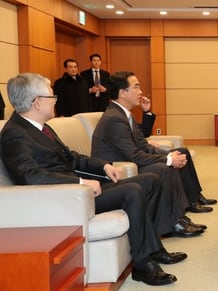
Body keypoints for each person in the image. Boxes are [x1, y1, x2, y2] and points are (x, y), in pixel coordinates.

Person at [0, 72, 187, 286]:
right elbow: (31, 176)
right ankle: (143, 265)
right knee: (133, 190)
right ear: (36, 102)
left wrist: (104, 165)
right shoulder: (14, 133)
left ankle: (153, 249)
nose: (55, 102)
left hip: (78, 191)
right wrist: (79, 184)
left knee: (151, 180)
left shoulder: (42, 127)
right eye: (52, 97)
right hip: (65, 199)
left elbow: (72, 158)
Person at [91, 71, 217, 218]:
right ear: (123, 93)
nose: (141, 91)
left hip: (129, 159)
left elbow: (142, 144)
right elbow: (133, 154)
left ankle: (192, 199)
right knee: (165, 168)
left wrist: (169, 155)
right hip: (119, 167)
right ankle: (177, 219)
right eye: (136, 87)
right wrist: (168, 160)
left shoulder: (123, 114)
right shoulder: (114, 119)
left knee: (181, 152)